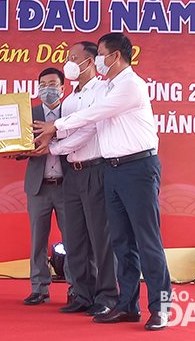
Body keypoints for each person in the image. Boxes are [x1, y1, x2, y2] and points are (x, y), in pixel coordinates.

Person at [33, 33, 172, 331]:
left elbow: (94, 114)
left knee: (147, 241)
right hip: (113, 169)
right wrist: (55, 141)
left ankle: (161, 308)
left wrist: (55, 126)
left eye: (101, 55)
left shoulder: (131, 86)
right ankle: (127, 305)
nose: (98, 61)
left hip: (138, 168)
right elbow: (92, 122)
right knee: (121, 242)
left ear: (116, 56)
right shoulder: (107, 87)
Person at [32, 42, 118, 316]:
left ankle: (106, 295)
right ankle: (82, 293)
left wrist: (53, 147)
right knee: (75, 239)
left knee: (99, 238)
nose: (69, 62)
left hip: (95, 169)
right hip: (73, 175)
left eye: (73, 58)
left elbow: (91, 130)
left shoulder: (104, 91)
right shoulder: (68, 101)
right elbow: (63, 133)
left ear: (90, 61)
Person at [21, 68, 72, 306]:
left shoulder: (72, 113)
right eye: (43, 84)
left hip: (68, 186)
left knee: (73, 240)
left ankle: (76, 288)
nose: (47, 89)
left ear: (63, 88)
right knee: (37, 240)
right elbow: (18, 150)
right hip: (38, 186)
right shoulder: (28, 114)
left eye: (52, 84)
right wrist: (20, 148)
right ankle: (38, 288)